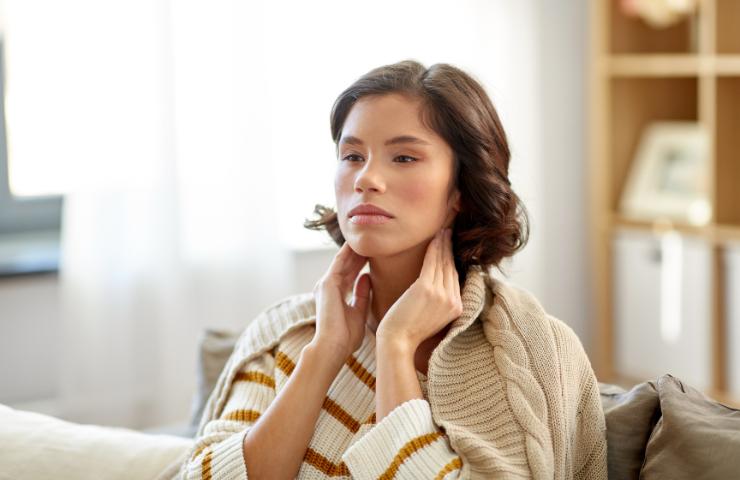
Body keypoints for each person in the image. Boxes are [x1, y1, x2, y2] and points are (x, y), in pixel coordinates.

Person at [172, 60, 607, 479]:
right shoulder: (284, 333)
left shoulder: (530, 355)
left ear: (462, 188)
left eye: (403, 158)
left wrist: (395, 347)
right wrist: (324, 353)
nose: (366, 179)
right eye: (352, 155)